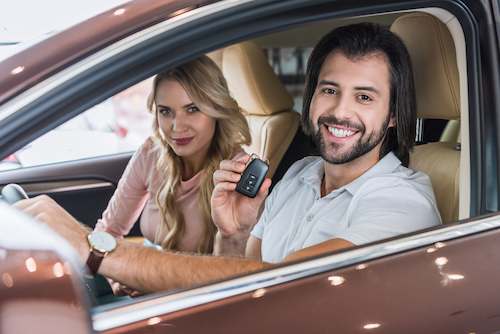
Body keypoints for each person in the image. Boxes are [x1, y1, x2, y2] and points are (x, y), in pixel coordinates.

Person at [16, 23, 441, 293]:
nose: (340, 112)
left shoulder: (400, 202)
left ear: (390, 117)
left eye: (364, 97)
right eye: (329, 90)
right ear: (311, 99)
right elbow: (247, 281)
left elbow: (281, 282)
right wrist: (234, 230)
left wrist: (97, 250)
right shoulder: (299, 173)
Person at [95, 55, 251, 254]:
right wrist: (112, 278)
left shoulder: (236, 173)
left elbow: (235, 269)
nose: (176, 127)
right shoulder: (151, 153)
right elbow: (109, 230)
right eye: (166, 112)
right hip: (141, 277)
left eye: (192, 109)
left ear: (215, 109)